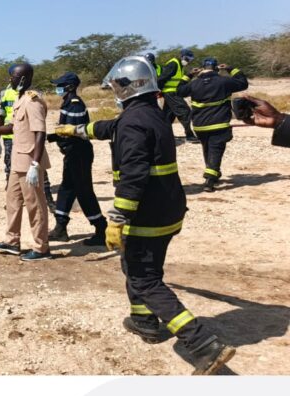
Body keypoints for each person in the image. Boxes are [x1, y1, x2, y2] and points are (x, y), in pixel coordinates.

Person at [55, 56, 236, 375]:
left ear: (130, 86)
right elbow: (112, 126)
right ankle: (144, 321)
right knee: (139, 265)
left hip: (147, 214)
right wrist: (77, 129)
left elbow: (134, 174)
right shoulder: (149, 114)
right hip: (168, 209)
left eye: (116, 85)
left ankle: (202, 344)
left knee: (144, 277)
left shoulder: (134, 121)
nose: (114, 91)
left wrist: (118, 219)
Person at [0, 62, 52, 261]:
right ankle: (12, 241)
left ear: (22, 79)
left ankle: (41, 248)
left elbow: (40, 133)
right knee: (12, 201)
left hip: (29, 161)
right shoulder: (20, 99)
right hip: (17, 160)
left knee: (35, 205)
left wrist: (36, 165)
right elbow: (13, 127)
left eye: (12, 77)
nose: (9, 80)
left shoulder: (33, 101)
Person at [47, 72, 107, 245]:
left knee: (84, 191)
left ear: (70, 87)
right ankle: (60, 227)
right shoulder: (67, 103)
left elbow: (73, 132)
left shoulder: (75, 104)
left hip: (79, 153)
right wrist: (50, 138)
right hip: (73, 153)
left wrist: (53, 139)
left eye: (60, 85)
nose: (58, 89)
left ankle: (101, 227)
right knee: (66, 189)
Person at [176, 58, 248, 191]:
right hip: (218, 124)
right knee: (216, 149)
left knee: (207, 148)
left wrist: (189, 75)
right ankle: (210, 179)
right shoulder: (224, 81)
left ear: (202, 69)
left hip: (199, 125)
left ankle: (212, 171)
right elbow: (243, 83)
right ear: (216, 68)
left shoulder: (194, 84)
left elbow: (179, 91)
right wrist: (230, 68)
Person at [0, 66, 57, 210]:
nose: (11, 79)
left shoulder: (31, 97)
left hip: (29, 139)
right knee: (11, 170)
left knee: (38, 172)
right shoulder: (5, 94)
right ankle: (15, 199)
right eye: (10, 76)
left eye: (13, 76)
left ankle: (49, 201)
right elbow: (1, 117)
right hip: (10, 138)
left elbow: (40, 129)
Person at [159, 48, 198, 143]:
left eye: (190, 60)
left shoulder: (179, 65)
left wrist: (191, 74)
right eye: (187, 59)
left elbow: (179, 80)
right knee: (184, 111)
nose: (188, 61)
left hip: (173, 92)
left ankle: (162, 135)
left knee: (168, 115)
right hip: (171, 92)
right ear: (181, 56)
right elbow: (162, 78)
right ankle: (189, 135)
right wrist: (159, 90)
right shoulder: (173, 64)